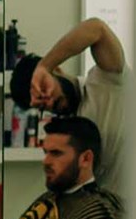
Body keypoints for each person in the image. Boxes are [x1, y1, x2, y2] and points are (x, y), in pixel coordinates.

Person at [10, 17, 128, 189]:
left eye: (44, 90)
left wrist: (44, 66)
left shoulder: (106, 85)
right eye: (41, 106)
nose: (48, 103)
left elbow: (96, 28)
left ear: (56, 69)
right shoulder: (67, 131)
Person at [13, 116, 125, 219]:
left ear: (85, 159)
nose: (46, 161)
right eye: (46, 153)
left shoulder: (97, 211)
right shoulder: (47, 200)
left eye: (56, 153)